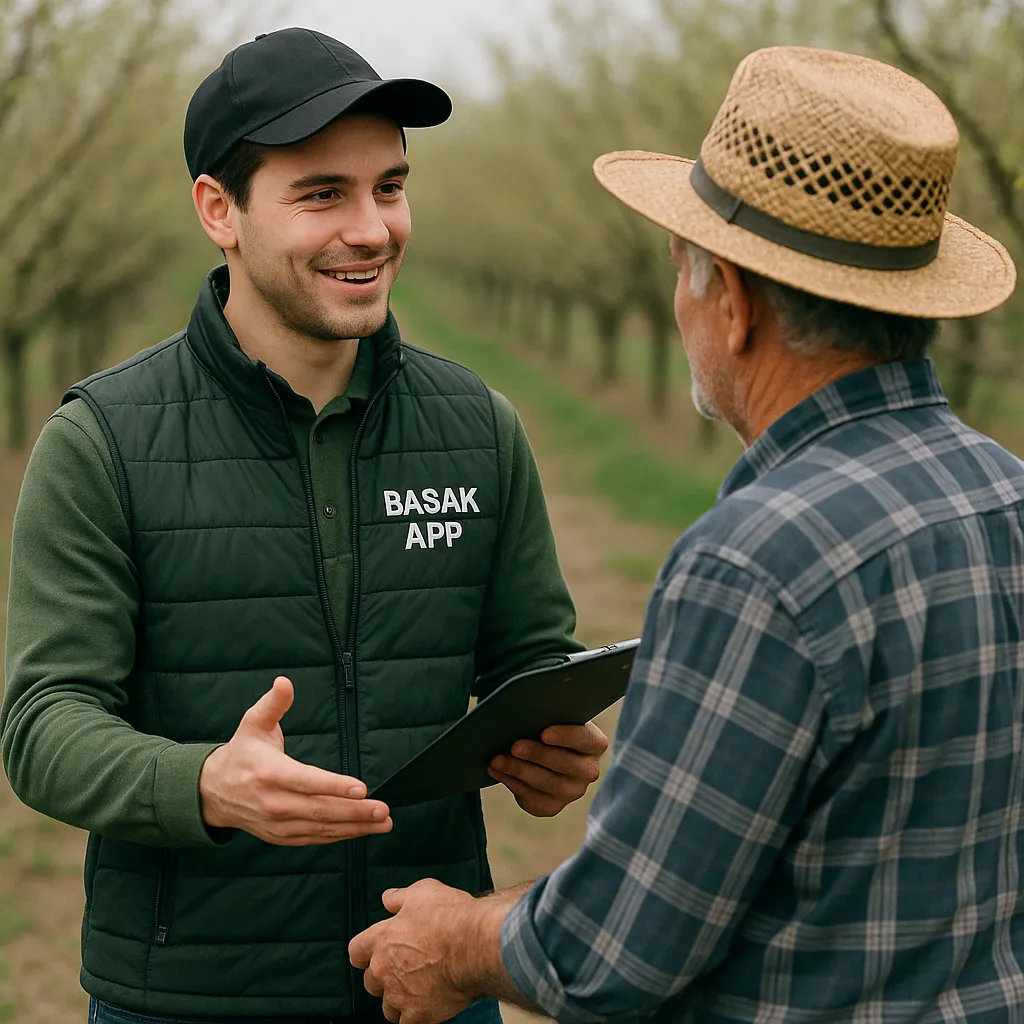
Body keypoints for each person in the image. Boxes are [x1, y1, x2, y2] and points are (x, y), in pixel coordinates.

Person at [347, 45, 1024, 1024]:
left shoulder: (757, 562)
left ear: (734, 302)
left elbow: (618, 946)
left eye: (684, 274)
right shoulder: (1004, 493)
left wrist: (454, 939)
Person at [0, 27, 610, 1024]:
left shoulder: (477, 428)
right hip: (189, 997)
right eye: (322, 193)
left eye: (389, 186)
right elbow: (43, 725)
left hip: (426, 981)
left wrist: (547, 750)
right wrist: (204, 782)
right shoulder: (103, 441)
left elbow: (528, 660)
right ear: (219, 211)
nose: (370, 228)